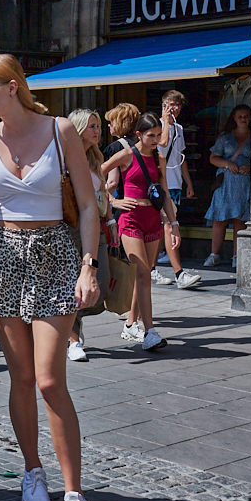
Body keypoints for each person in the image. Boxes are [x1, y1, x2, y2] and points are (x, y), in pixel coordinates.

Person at [0, 54, 99, 501]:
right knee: (19, 377)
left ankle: (74, 495)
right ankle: (32, 471)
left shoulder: (61, 130)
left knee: (50, 379)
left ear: (12, 87)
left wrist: (89, 266)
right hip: (2, 251)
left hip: (54, 250)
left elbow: (89, 205)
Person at [102, 113, 182, 351]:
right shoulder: (126, 154)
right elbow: (95, 177)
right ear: (138, 134)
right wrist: (113, 202)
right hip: (130, 219)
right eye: (151, 135)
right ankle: (150, 331)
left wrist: (174, 225)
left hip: (153, 219)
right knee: (144, 274)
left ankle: (130, 324)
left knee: (143, 274)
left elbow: (165, 193)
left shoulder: (159, 158)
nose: (156, 139)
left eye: (158, 135)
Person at [65, 109, 113, 363]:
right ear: (79, 128)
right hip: (72, 228)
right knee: (76, 283)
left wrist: (111, 219)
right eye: (92, 126)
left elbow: (103, 193)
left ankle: (74, 321)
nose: (97, 131)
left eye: (98, 126)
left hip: (98, 228)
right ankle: (73, 340)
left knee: (101, 285)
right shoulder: (66, 160)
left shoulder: (95, 158)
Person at [154, 92, 201, 289]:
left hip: (174, 184)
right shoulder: (155, 127)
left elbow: (180, 157)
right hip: (159, 184)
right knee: (170, 226)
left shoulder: (179, 129)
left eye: (178, 106)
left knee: (162, 229)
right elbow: (162, 145)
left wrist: (188, 183)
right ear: (164, 105)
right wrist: (165, 123)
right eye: (171, 105)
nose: (175, 109)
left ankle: (150, 267)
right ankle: (179, 272)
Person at [204, 104, 251, 267]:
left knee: (240, 220)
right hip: (225, 183)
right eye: (240, 116)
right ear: (233, 117)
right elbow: (213, 158)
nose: (243, 119)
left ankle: (236, 256)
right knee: (220, 219)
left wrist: (250, 166)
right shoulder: (225, 137)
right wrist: (226, 163)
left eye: (246, 116)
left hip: (245, 183)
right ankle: (214, 254)